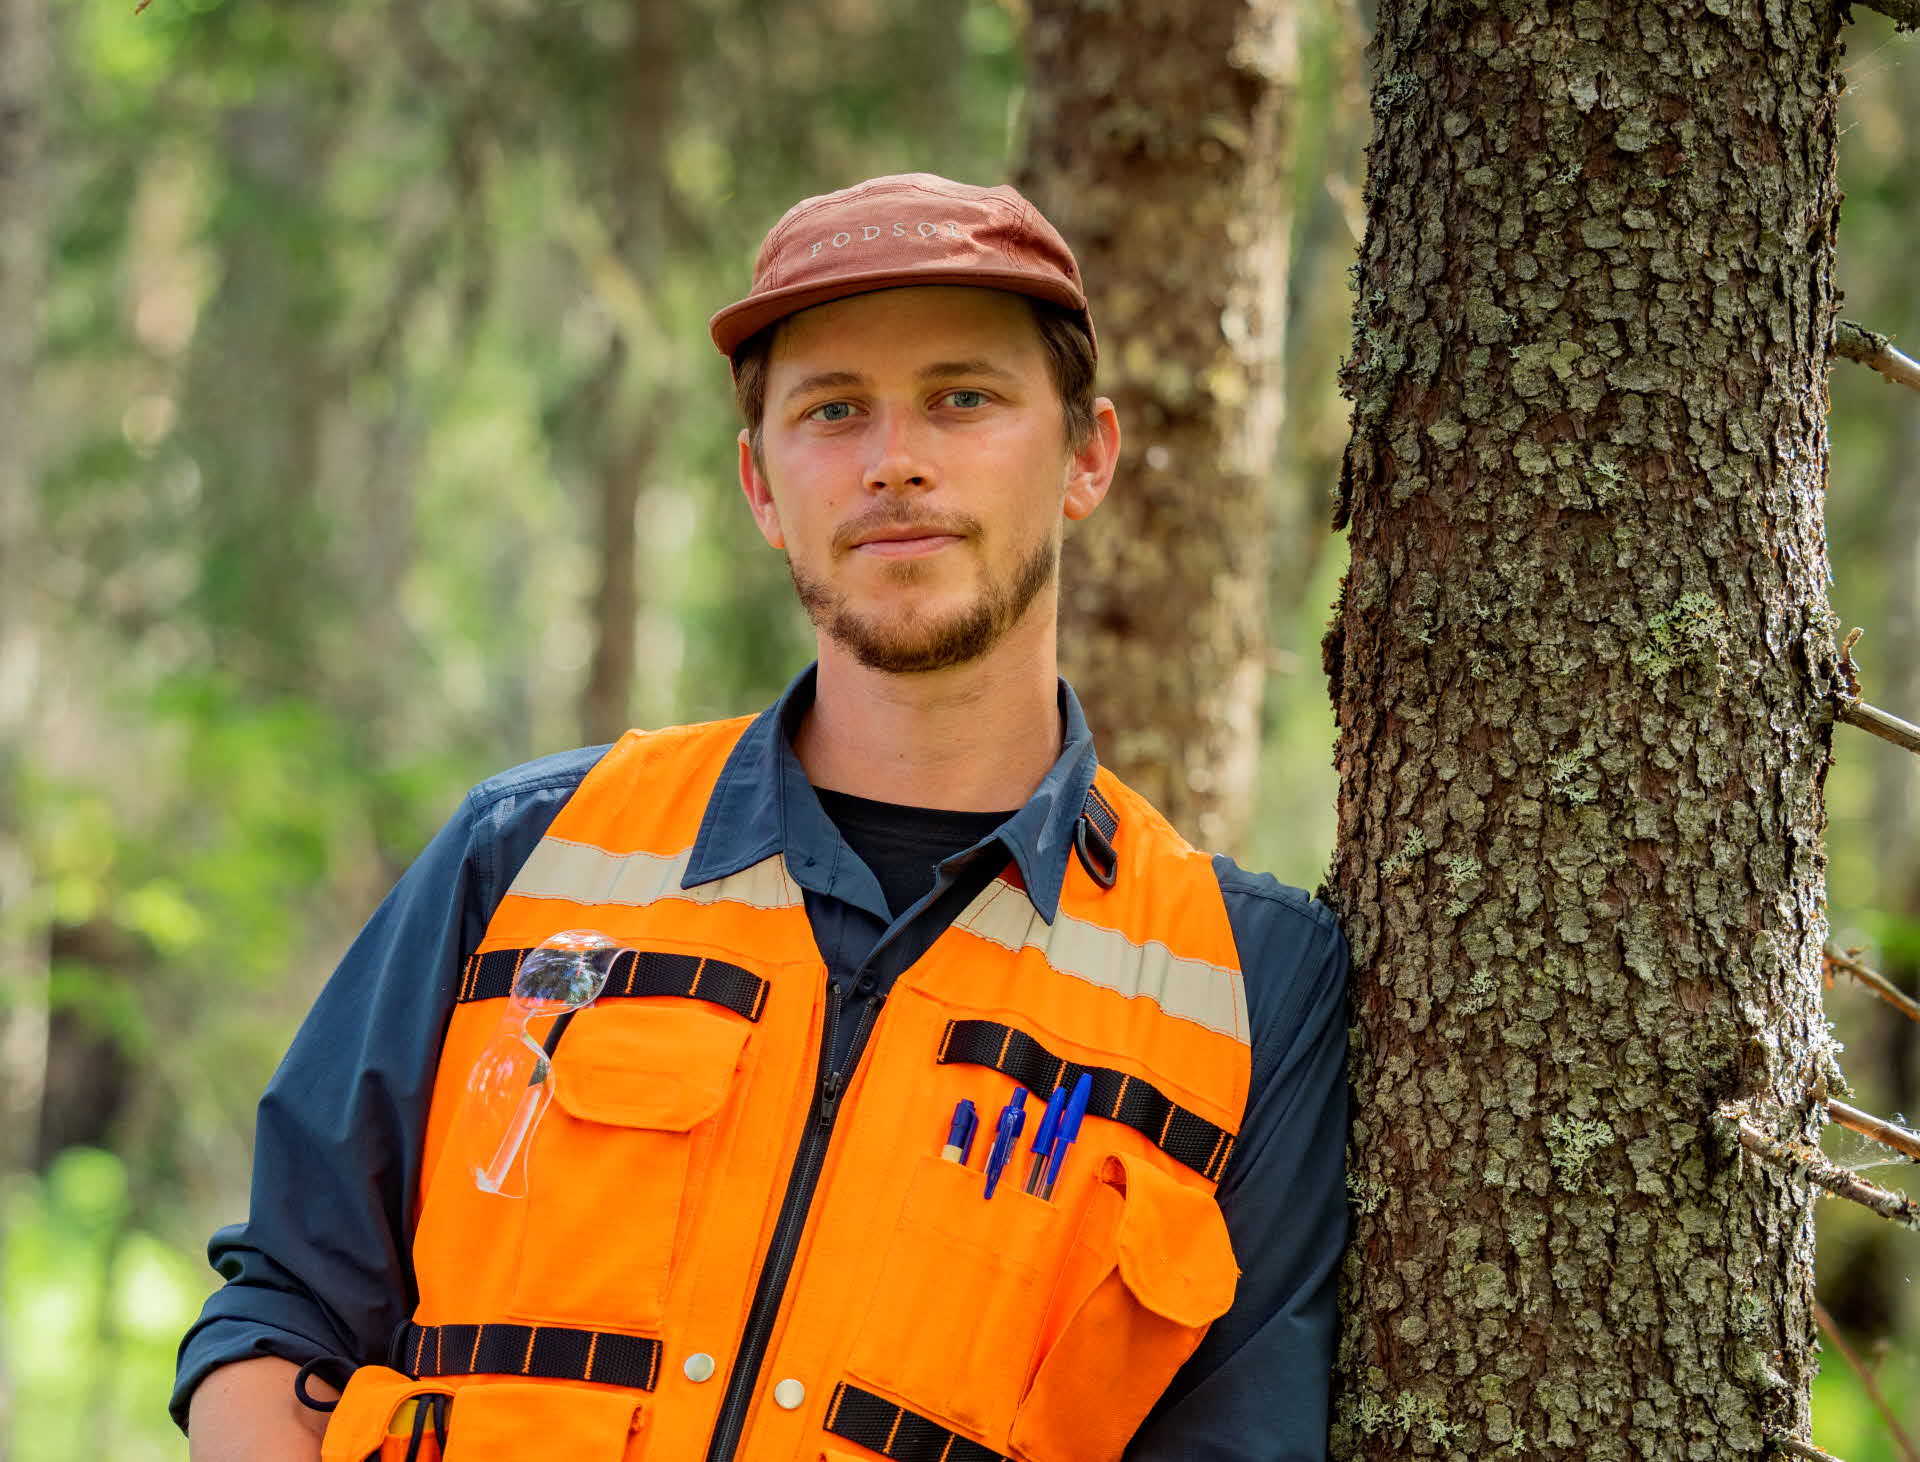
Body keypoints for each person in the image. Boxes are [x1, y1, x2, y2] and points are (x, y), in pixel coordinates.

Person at [173, 173, 1349, 1462]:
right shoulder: (528, 855)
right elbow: (283, 1315)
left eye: (963, 397)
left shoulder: (1250, 989)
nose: (895, 458)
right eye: (833, 410)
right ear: (759, 484)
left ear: (1086, 454)